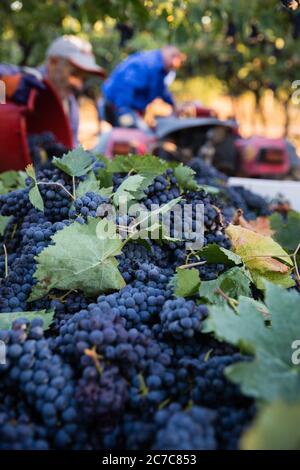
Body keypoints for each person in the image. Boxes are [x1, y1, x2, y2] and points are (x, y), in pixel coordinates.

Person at [0, 35, 105, 145]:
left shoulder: (71, 108)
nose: (79, 86)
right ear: (53, 62)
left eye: (83, 79)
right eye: (74, 74)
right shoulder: (26, 81)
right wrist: (5, 85)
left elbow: (69, 149)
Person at [99, 46, 185, 129]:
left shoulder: (160, 70)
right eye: (172, 65)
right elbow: (126, 86)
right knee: (135, 136)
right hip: (115, 106)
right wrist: (124, 111)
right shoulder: (147, 64)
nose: (172, 68)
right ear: (170, 55)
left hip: (125, 107)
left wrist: (174, 105)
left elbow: (161, 90)